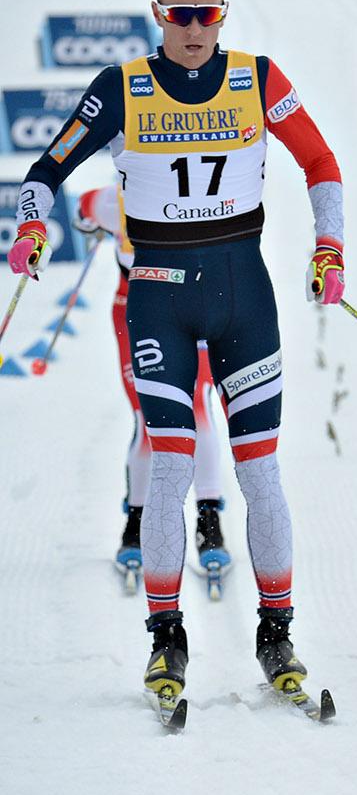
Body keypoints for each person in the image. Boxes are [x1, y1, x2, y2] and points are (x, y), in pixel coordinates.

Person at [8, 0, 347, 718]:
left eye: (209, 13)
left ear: (223, 12)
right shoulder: (121, 88)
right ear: (160, 14)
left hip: (244, 290)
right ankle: (167, 635)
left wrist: (330, 246)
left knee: (260, 471)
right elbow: (45, 173)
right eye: (182, 13)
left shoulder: (258, 78)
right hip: (159, 291)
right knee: (170, 463)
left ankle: (277, 632)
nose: (195, 28)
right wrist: (30, 230)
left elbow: (322, 162)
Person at [74, 184, 230, 593]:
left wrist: (91, 223)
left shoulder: (121, 196)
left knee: (192, 411)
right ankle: (144, 524)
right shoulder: (120, 197)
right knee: (157, 417)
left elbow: (84, 210)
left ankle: (206, 522)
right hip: (143, 309)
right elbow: (84, 209)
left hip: (176, 305)